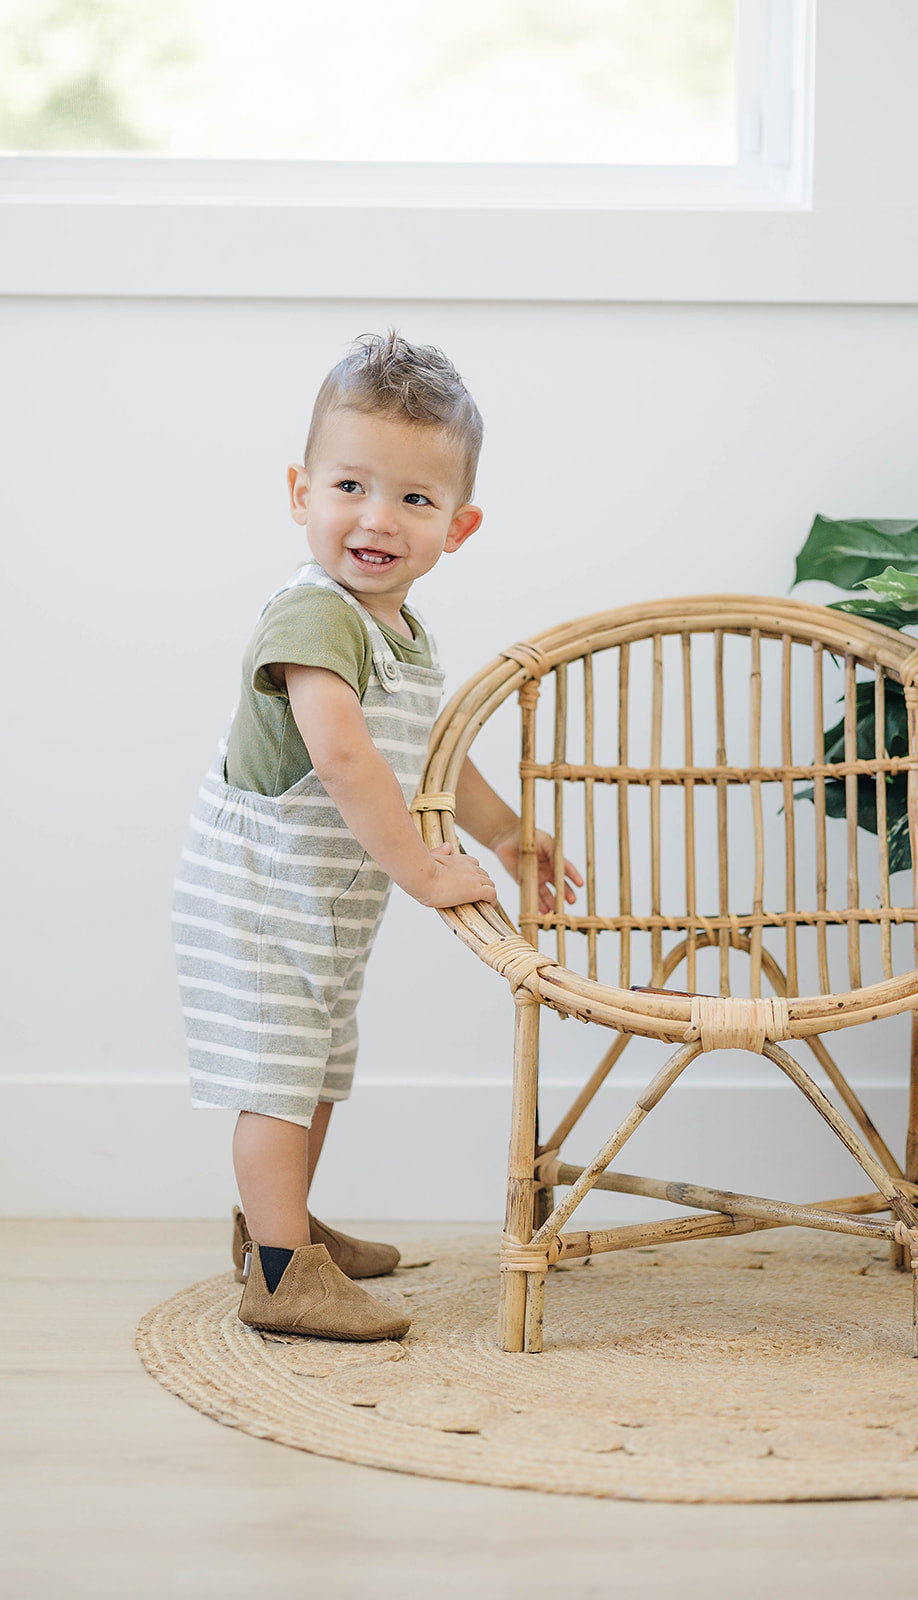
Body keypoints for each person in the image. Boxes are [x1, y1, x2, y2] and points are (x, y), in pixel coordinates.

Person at [173, 332, 580, 1342]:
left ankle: (283, 1232)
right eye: (349, 483)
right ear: (298, 490)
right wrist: (422, 869)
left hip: (318, 902)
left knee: (313, 1069)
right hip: (260, 892)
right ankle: (279, 1276)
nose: (375, 518)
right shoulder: (313, 616)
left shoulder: (400, 629)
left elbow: (428, 749)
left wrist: (510, 832)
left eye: (412, 498)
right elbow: (348, 759)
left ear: (458, 524)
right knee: (278, 1075)